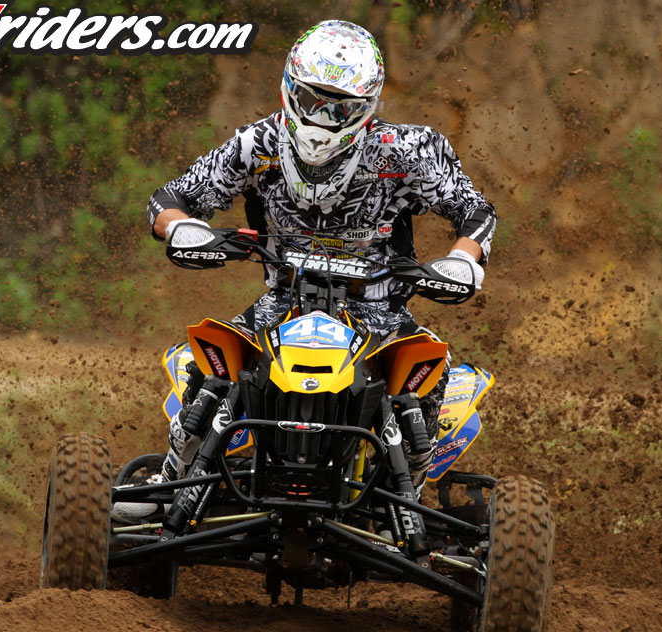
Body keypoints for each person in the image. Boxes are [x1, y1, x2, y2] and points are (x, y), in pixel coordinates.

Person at [147, 19, 496, 491]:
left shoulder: (408, 150)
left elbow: (474, 209)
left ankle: (407, 496)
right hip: (283, 303)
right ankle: (171, 485)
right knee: (211, 369)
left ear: (367, 105)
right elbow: (171, 198)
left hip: (377, 310)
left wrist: (462, 258)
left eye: (341, 107)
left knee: (426, 377)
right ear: (291, 87)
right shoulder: (257, 145)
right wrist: (182, 228)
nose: (324, 117)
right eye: (313, 100)